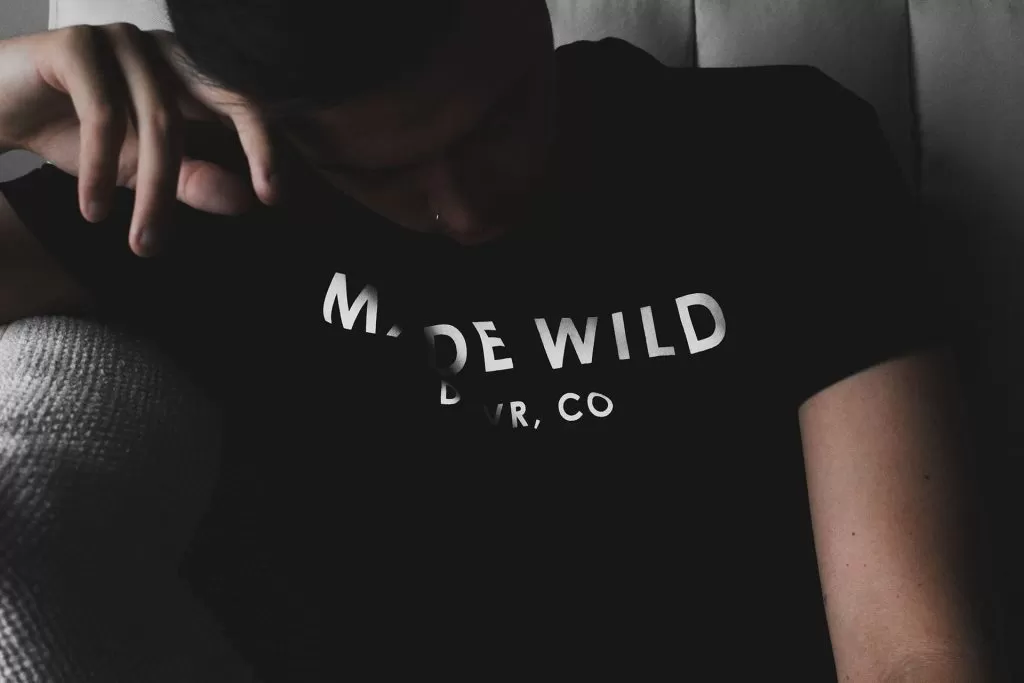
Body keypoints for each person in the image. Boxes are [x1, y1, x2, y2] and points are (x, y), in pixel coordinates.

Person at [0, 1, 1006, 680]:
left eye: (498, 118)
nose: (467, 206)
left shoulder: (780, 154)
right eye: (381, 172)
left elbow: (910, 652)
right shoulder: (214, 191)